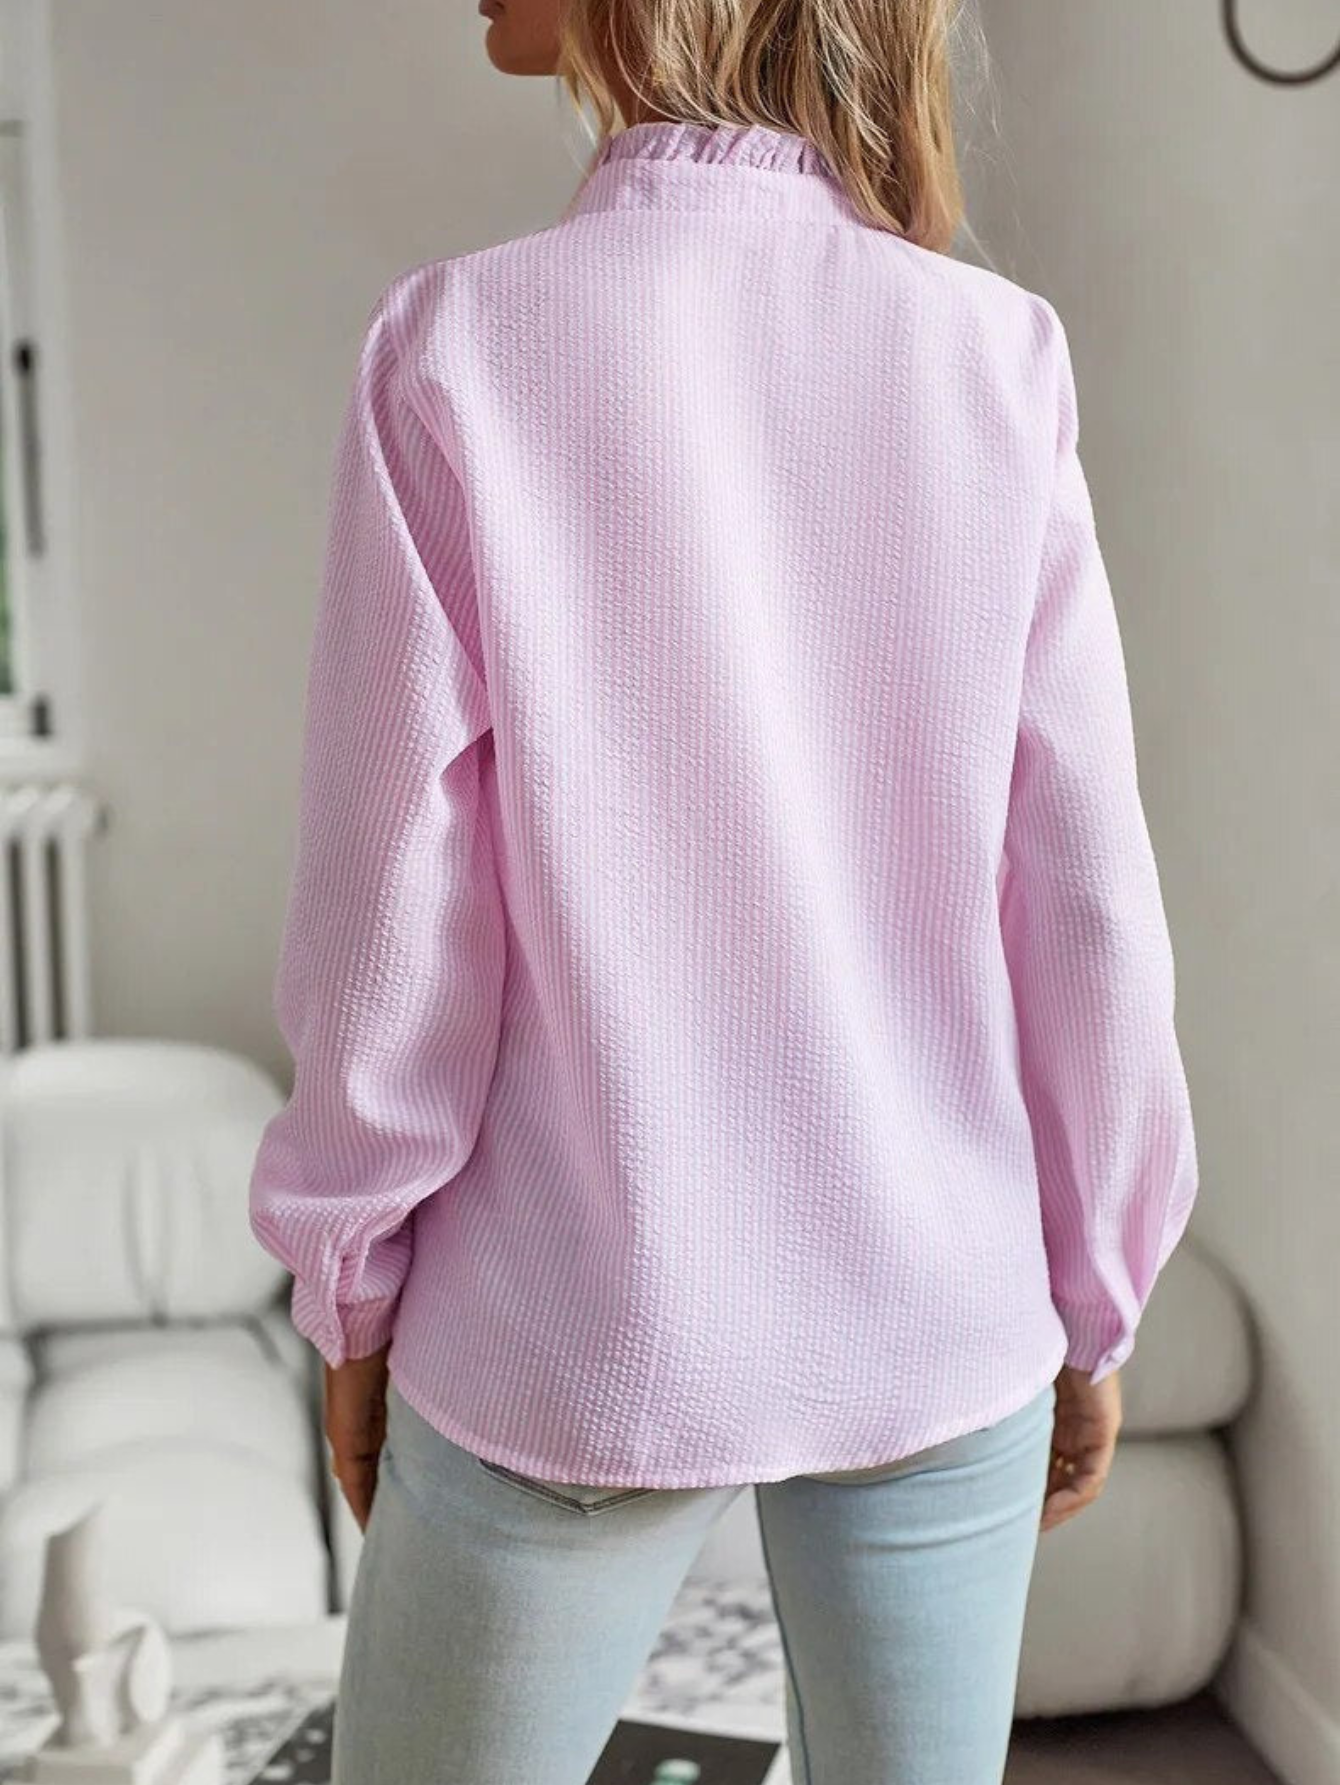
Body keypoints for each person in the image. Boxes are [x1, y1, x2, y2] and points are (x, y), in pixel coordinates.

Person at [247, 0, 1199, 1778]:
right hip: (943, 1302)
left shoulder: (458, 346)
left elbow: (393, 918)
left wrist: (349, 1282)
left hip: (572, 1318)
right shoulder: (994, 355)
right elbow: (1085, 894)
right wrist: (1097, 1280)